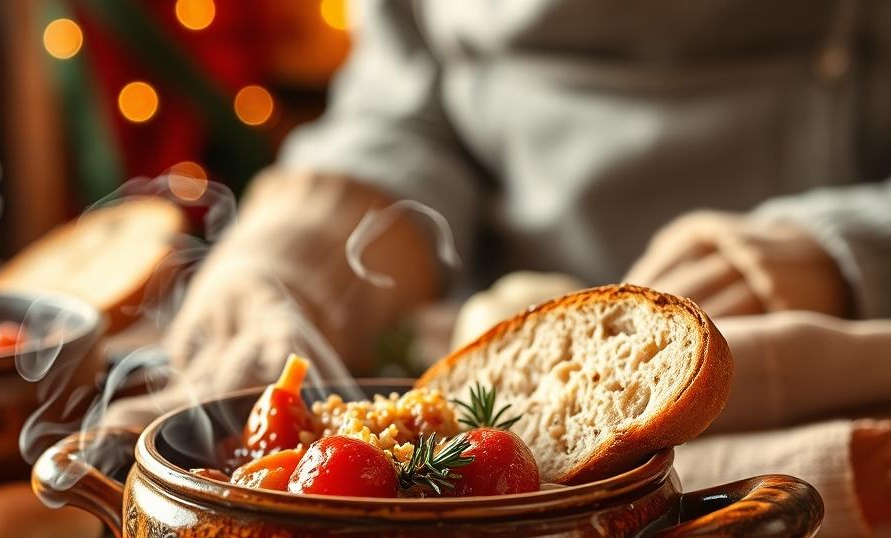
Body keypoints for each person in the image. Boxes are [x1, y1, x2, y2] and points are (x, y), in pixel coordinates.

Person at [107, 0, 890, 425]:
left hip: (832, 371)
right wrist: (300, 252)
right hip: (489, 371)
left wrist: (835, 253)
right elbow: (409, 107)